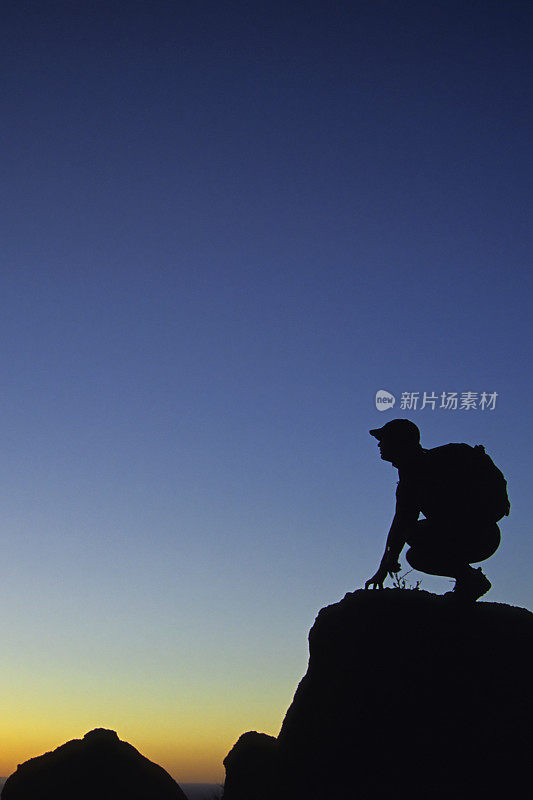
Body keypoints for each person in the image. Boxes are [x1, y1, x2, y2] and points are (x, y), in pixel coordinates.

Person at [364, 419, 503, 601]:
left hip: (480, 535)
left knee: (414, 540)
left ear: (400, 442)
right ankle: (468, 581)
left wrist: (385, 566)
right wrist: (385, 566)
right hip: (479, 535)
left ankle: (470, 580)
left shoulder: (424, 471)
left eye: (385, 439)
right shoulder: (414, 475)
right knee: (415, 550)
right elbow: (401, 525)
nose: (380, 444)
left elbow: (402, 526)